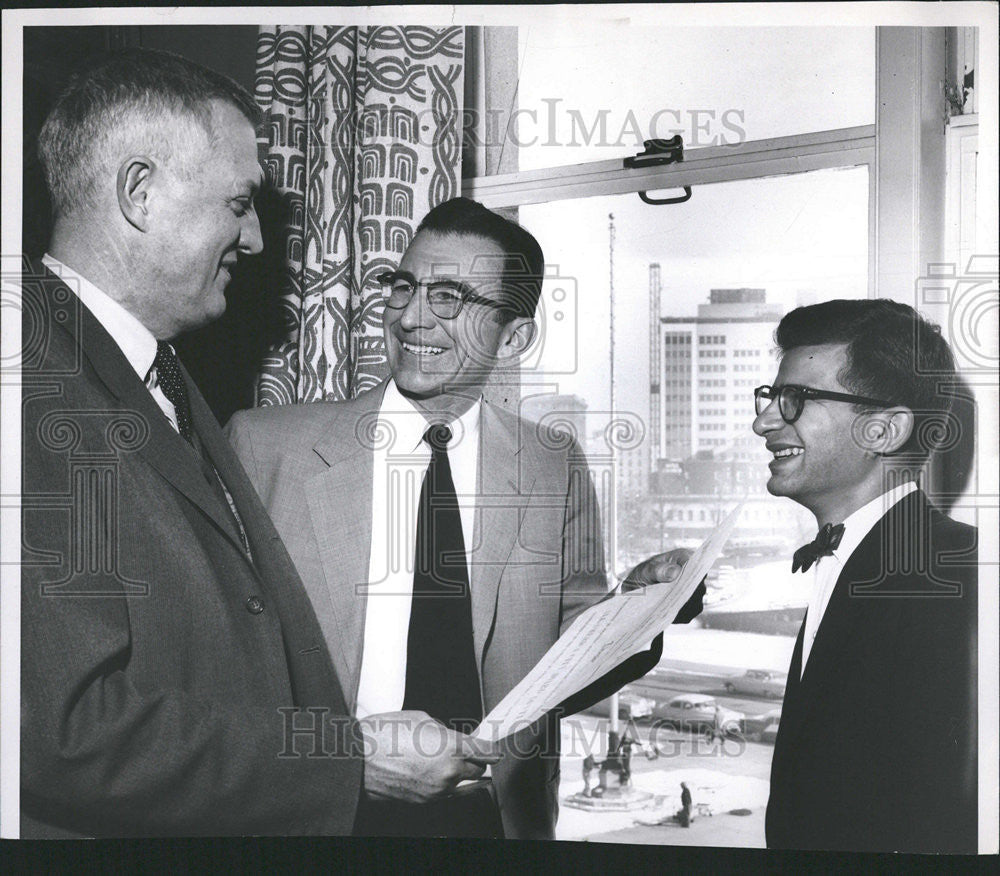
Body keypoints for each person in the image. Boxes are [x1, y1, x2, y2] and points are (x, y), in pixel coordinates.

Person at [20, 49, 494, 839]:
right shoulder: (32, 384)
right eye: (239, 204)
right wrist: (349, 759)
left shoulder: (156, 370)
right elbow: (65, 730)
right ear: (140, 193)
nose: (256, 240)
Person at [226, 197, 705, 839]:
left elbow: (571, 662)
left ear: (514, 337)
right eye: (404, 286)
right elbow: (216, 667)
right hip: (322, 816)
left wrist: (642, 607)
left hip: (492, 822)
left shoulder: (552, 463)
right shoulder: (264, 447)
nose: (411, 317)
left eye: (450, 296)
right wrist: (334, 757)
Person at [753, 299, 977, 853]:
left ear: (884, 430)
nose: (762, 422)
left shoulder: (953, 578)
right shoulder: (872, 558)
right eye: (770, 397)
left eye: (795, 400)